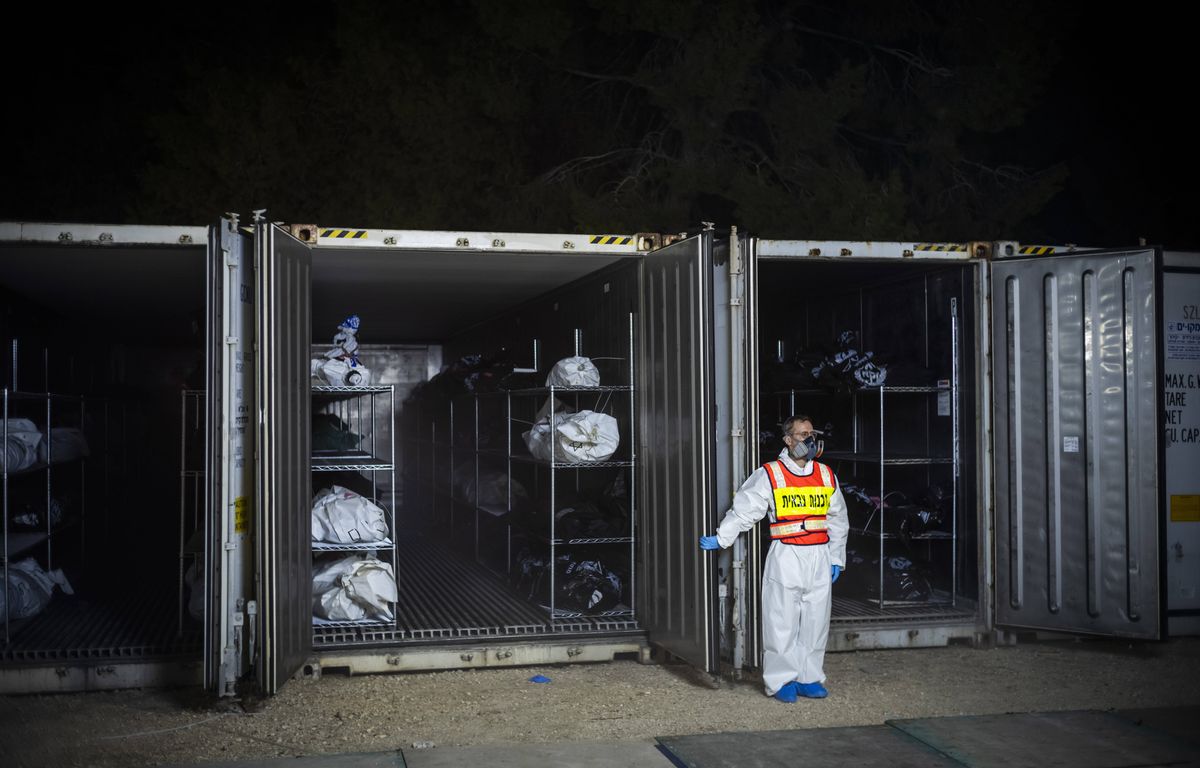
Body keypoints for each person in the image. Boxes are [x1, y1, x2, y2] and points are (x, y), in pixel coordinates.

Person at [699, 414, 848, 702]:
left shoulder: (826, 474)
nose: (810, 440)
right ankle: (781, 681)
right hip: (787, 554)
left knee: (816, 622)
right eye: (803, 435)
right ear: (788, 440)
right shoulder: (770, 473)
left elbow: (838, 518)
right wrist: (722, 537)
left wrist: (836, 557)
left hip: (818, 554)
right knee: (782, 621)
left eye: (811, 434)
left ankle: (809, 677)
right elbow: (745, 509)